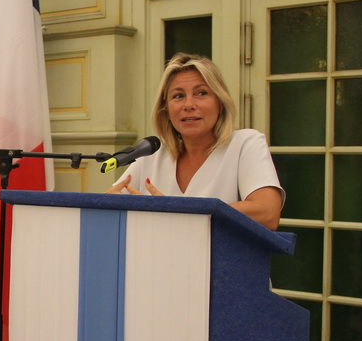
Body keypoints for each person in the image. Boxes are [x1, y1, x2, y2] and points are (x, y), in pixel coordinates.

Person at [107, 53, 284, 230]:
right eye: (178, 96)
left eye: (201, 93)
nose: (189, 105)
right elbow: (108, 204)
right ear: (166, 109)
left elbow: (267, 213)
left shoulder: (245, 143)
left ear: (220, 102)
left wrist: (176, 211)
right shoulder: (154, 151)